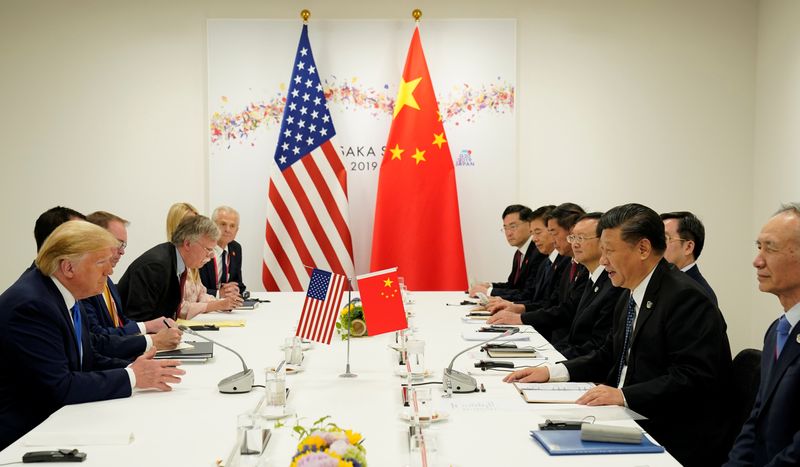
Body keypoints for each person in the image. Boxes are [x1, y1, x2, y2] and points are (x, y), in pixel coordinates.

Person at [503, 203, 731, 467]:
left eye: (609, 251)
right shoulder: (630, 291)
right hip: (622, 412)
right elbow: (608, 352)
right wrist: (553, 372)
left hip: (666, 428)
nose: (603, 261)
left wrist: (623, 396)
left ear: (643, 249)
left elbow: (693, 377)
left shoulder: (685, 297)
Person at [0, 221, 185, 450]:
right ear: (68, 268)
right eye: (101, 263)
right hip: (24, 436)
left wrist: (136, 368)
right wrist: (132, 377)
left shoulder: (63, 293)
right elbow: (60, 386)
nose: (110, 271)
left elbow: (88, 358)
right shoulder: (31, 306)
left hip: (60, 418)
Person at [726, 204, 800, 466]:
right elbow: (755, 419)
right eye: (759, 247)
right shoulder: (777, 331)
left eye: (771, 248)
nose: (757, 260)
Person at [487, 203, 588, 343]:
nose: (534, 238)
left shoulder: (569, 264)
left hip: (558, 340)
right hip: (555, 338)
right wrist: (517, 308)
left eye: (538, 232)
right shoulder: (562, 263)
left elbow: (563, 311)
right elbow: (548, 302)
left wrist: (520, 314)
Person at [80, 211, 181, 350]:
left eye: (124, 245)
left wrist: (151, 326)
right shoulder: (82, 286)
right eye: (118, 243)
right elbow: (98, 338)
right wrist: (150, 336)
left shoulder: (107, 280)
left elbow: (121, 321)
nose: (122, 252)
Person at [118, 215, 220, 321]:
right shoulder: (156, 267)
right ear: (188, 244)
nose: (211, 256)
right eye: (208, 249)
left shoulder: (176, 262)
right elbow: (139, 321)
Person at [550, 212, 623, 358]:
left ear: (603, 241)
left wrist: (553, 359)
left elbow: (597, 345)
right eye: (573, 237)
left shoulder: (614, 284)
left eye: (581, 238)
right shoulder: (589, 275)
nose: (575, 244)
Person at [164, 204, 242, 319]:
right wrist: (217, 304)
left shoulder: (192, 258)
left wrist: (226, 302)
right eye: (190, 224)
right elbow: (179, 308)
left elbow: (201, 293)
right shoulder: (168, 262)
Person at [468, 204, 543, 300]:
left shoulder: (539, 251)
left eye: (513, 226)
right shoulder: (519, 254)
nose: (508, 233)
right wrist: (489, 286)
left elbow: (527, 293)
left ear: (530, 225)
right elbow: (512, 286)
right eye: (505, 228)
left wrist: (488, 292)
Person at [660, 211, 718, 306]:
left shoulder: (698, 295)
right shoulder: (663, 283)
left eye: (664, 238)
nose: (656, 246)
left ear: (688, 247)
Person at [200, 206, 246, 298]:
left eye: (232, 226)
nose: (227, 230)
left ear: (237, 230)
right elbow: (192, 290)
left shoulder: (235, 248)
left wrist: (235, 289)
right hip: (203, 305)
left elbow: (238, 282)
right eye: (223, 224)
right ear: (212, 225)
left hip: (227, 305)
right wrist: (218, 294)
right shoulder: (201, 247)